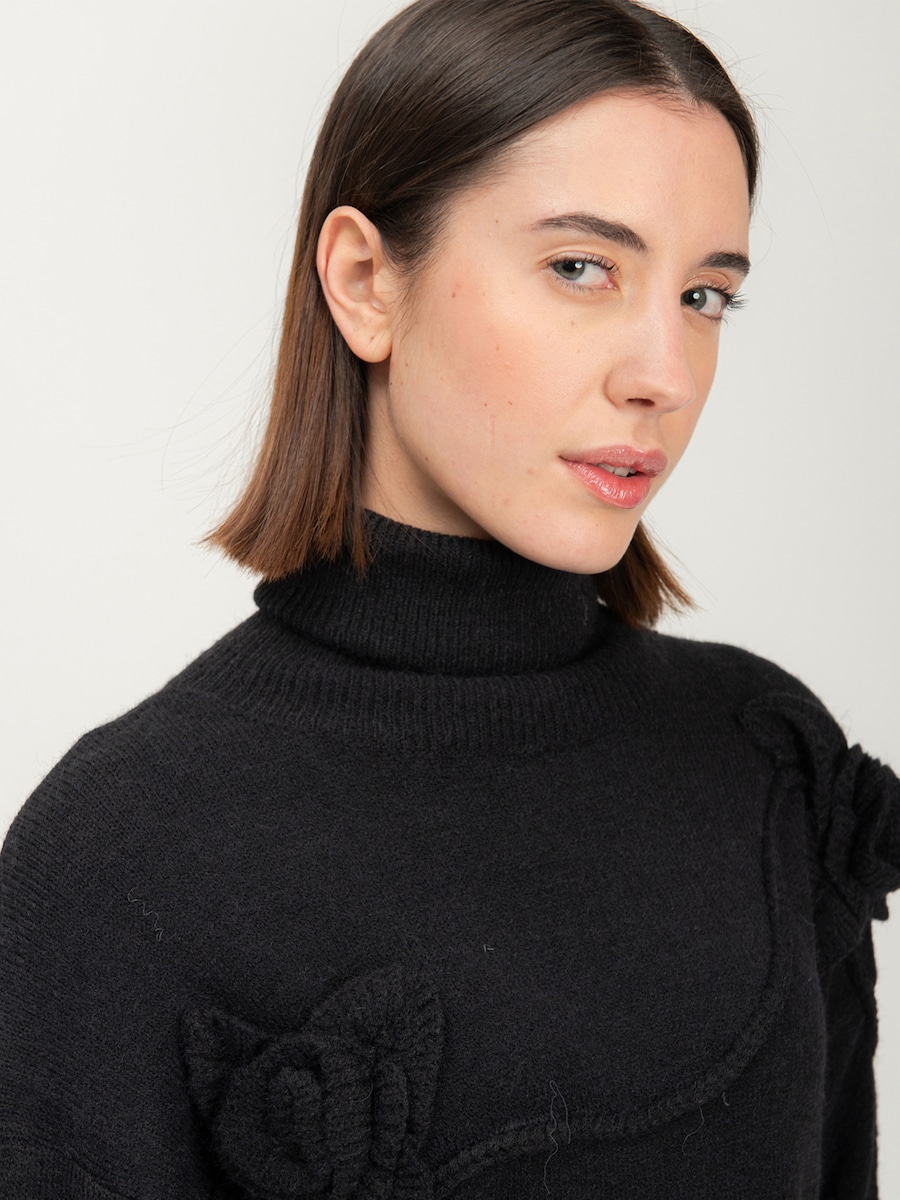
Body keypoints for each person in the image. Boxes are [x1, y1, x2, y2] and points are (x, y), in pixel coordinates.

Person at [1, 0, 898, 1196]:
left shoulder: (767, 763)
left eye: (705, 296)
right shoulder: (127, 850)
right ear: (366, 281)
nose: (666, 376)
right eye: (582, 268)